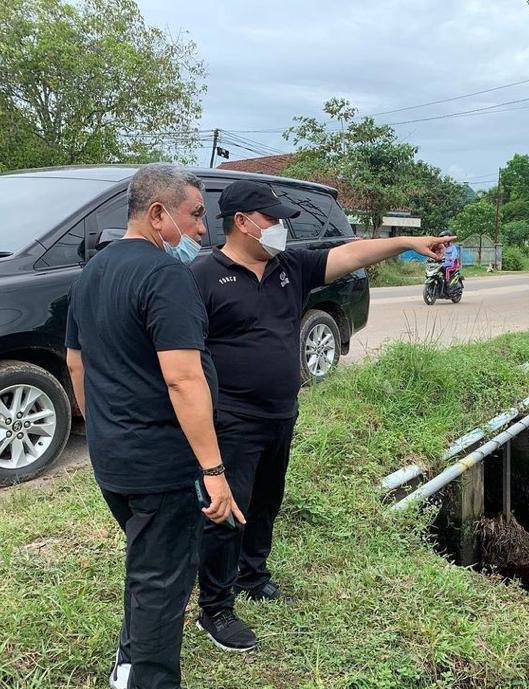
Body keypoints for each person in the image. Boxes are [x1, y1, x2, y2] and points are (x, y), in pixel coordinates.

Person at [190, 180, 453, 652]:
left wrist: (407, 242)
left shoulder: (290, 267)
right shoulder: (202, 276)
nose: (280, 227)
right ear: (243, 222)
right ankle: (216, 608)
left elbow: (353, 254)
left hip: (280, 412)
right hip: (230, 418)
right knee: (227, 512)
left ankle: (254, 575)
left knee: (267, 499)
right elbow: (185, 356)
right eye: (271, 219)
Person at [65, 164, 244, 689]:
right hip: (161, 461)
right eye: (194, 216)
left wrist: (102, 428)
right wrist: (213, 470)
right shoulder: (167, 279)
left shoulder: (94, 271)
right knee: (166, 574)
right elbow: (184, 379)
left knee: (147, 564)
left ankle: (130, 666)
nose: (200, 231)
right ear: (159, 214)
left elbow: (77, 360)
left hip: (113, 456)